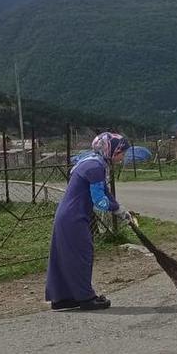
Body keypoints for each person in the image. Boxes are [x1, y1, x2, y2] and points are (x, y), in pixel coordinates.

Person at [46, 132, 135, 311]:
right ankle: (86, 298)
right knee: (82, 256)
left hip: (68, 216)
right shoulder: (95, 167)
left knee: (66, 257)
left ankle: (63, 298)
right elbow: (100, 201)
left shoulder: (92, 162)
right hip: (74, 218)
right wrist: (116, 209)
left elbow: (104, 192)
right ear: (110, 150)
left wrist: (122, 211)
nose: (123, 156)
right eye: (121, 152)